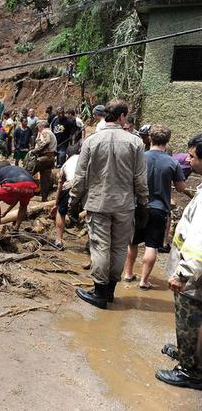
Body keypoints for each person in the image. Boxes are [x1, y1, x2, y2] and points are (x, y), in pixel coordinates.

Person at [70, 99, 149, 309]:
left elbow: (79, 177)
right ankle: (111, 291)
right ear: (123, 117)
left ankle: (100, 293)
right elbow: (140, 178)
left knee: (100, 246)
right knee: (119, 247)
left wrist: (73, 202)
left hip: (98, 203)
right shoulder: (135, 143)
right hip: (125, 204)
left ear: (106, 115)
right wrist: (143, 204)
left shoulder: (91, 141)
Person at [155, 133, 202, 390]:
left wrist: (182, 273)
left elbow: (199, 243)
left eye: (193, 156)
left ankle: (190, 370)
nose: (188, 159)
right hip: (196, 273)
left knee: (189, 319)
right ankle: (190, 355)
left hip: (194, 277)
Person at [123, 125, 190, 289]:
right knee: (151, 245)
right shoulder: (172, 162)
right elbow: (180, 187)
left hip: (139, 205)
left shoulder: (140, 158)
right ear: (167, 141)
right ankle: (144, 281)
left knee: (132, 243)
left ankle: (128, 274)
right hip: (159, 209)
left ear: (150, 139)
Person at [0, 161, 39, 231]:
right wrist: (6, 212)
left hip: (12, 186)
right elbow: (18, 197)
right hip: (31, 186)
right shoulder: (19, 169)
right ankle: (16, 228)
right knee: (23, 205)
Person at [53, 144, 81, 249]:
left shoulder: (66, 164)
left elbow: (60, 184)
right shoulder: (86, 159)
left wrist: (56, 204)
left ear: (67, 155)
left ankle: (59, 239)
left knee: (61, 212)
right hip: (88, 187)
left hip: (70, 184)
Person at [30, 120, 57, 201]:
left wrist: (35, 151)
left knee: (28, 171)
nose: (37, 129)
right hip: (51, 158)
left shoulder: (45, 131)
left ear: (41, 126)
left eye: (38, 127)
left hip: (44, 157)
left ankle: (22, 192)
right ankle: (44, 198)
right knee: (45, 180)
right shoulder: (51, 132)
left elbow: (46, 142)